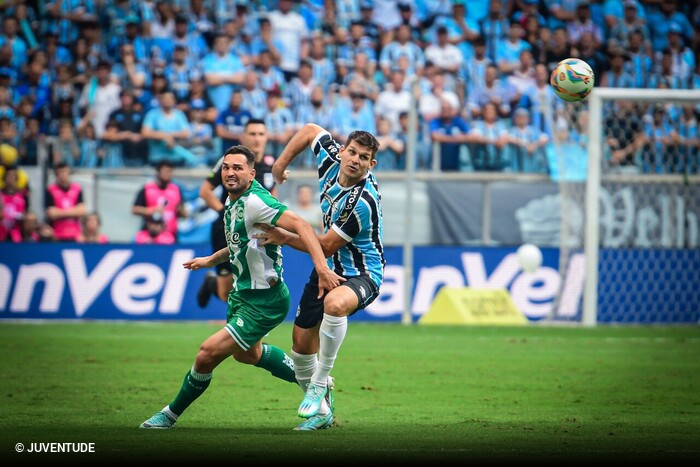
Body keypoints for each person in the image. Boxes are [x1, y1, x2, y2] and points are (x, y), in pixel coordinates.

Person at [139, 145, 344, 430]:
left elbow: (303, 226)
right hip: (242, 295)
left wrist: (322, 267)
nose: (230, 172)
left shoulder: (255, 201)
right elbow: (242, 242)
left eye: (238, 168)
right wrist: (212, 259)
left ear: (251, 172)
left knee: (206, 353)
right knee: (247, 354)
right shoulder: (233, 202)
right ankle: (318, 383)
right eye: (226, 167)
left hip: (264, 300)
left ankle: (169, 415)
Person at [260, 123, 385, 430]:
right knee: (300, 348)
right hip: (326, 267)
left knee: (334, 304)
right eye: (352, 152)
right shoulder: (332, 159)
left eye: (364, 157)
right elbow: (309, 130)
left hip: (362, 273)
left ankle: (320, 381)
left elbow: (327, 244)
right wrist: (279, 166)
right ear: (342, 151)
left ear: (372, 164)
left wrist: (286, 237)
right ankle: (323, 412)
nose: (355, 160)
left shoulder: (363, 200)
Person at [197, 119, 277, 308]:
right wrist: (226, 213)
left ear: (266, 137)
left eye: (261, 134)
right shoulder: (230, 161)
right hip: (226, 230)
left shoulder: (271, 163)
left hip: (256, 233)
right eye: (252, 134)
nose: (257, 139)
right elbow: (205, 191)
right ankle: (211, 284)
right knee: (226, 293)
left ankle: (241, 331)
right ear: (244, 137)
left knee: (251, 284)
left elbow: (273, 196)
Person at [132, 160, 187, 241]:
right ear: (158, 172)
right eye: (166, 171)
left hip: (171, 236)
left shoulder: (176, 189)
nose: (168, 174)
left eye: (170, 171)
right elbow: (134, 209)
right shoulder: (147, 189)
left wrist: (181, 210)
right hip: (150, 236)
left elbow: (184, 214)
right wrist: (151, 210)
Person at [45, 162, 86, 242]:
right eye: (60, 172)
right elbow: (52, 213)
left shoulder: (77, 188)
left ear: (69, 173)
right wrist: (74, 211)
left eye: (65, 172)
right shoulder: (51, 190)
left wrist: (59, 212)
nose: (63, 174)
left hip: (75, 233)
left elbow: (81, 211)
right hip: (57, 234)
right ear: (56, 174)